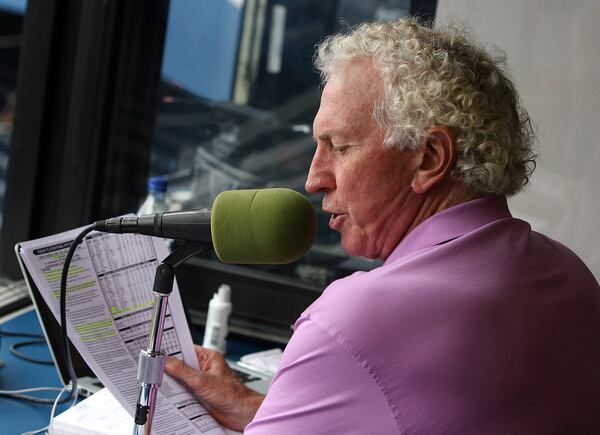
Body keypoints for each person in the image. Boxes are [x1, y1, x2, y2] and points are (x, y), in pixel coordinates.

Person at [165, 18, 600, 434]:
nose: (313, 179)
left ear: (429, 157)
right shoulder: (570, 275)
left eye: (339, 146)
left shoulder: (353, 322)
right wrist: (259, 410)